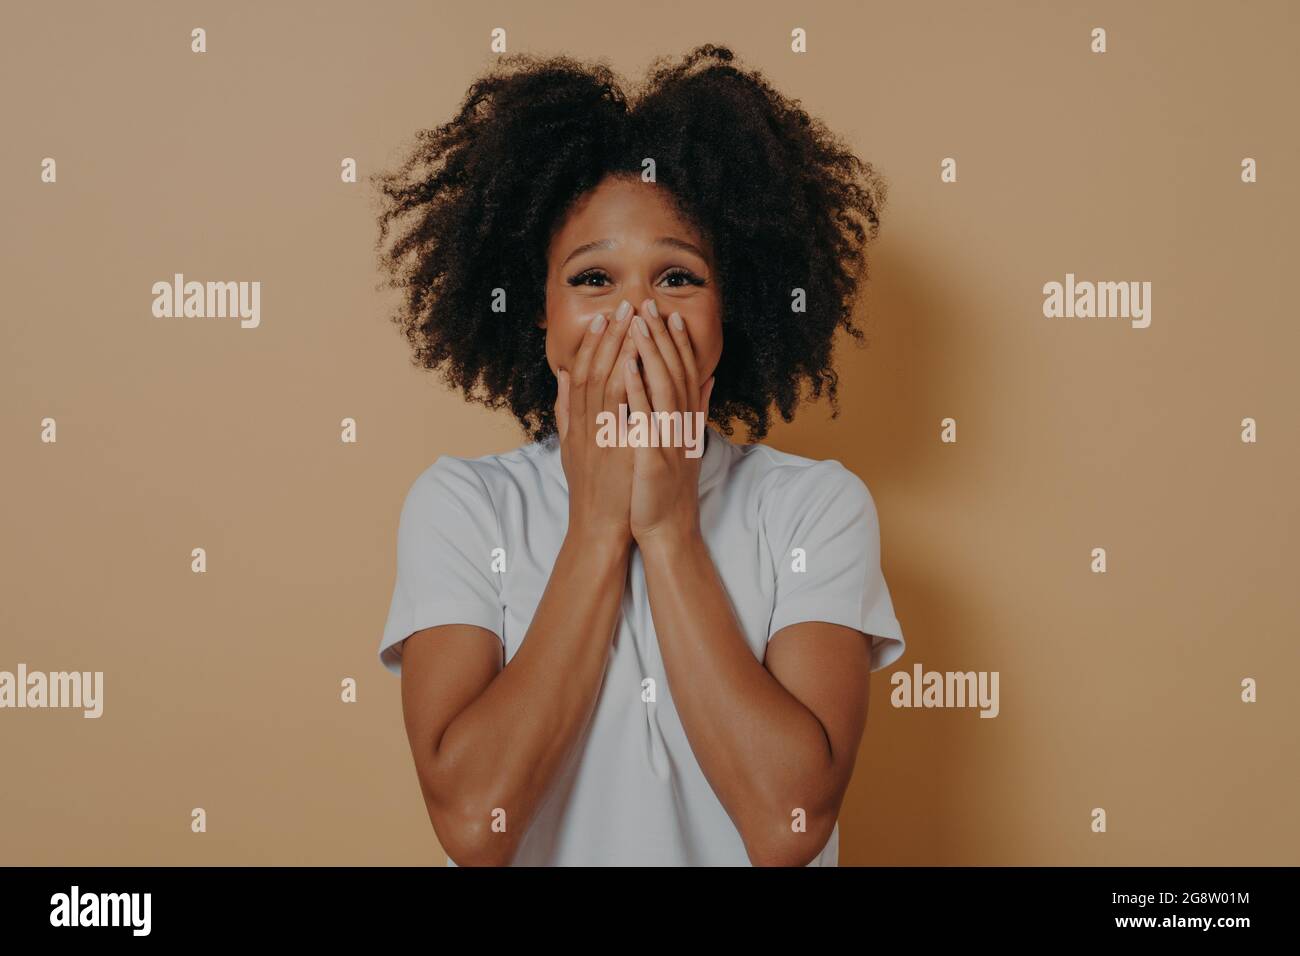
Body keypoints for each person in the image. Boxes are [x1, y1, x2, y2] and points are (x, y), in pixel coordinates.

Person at [373, 44, 905, 866]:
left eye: (677, 278)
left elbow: (784, 826)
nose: (635, 315)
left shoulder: (816, 508)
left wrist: (667, 530)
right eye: (593, 280)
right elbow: (478, 824)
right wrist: (594, 527)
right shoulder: (462, 507)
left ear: (734, 311)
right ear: (539, 314)